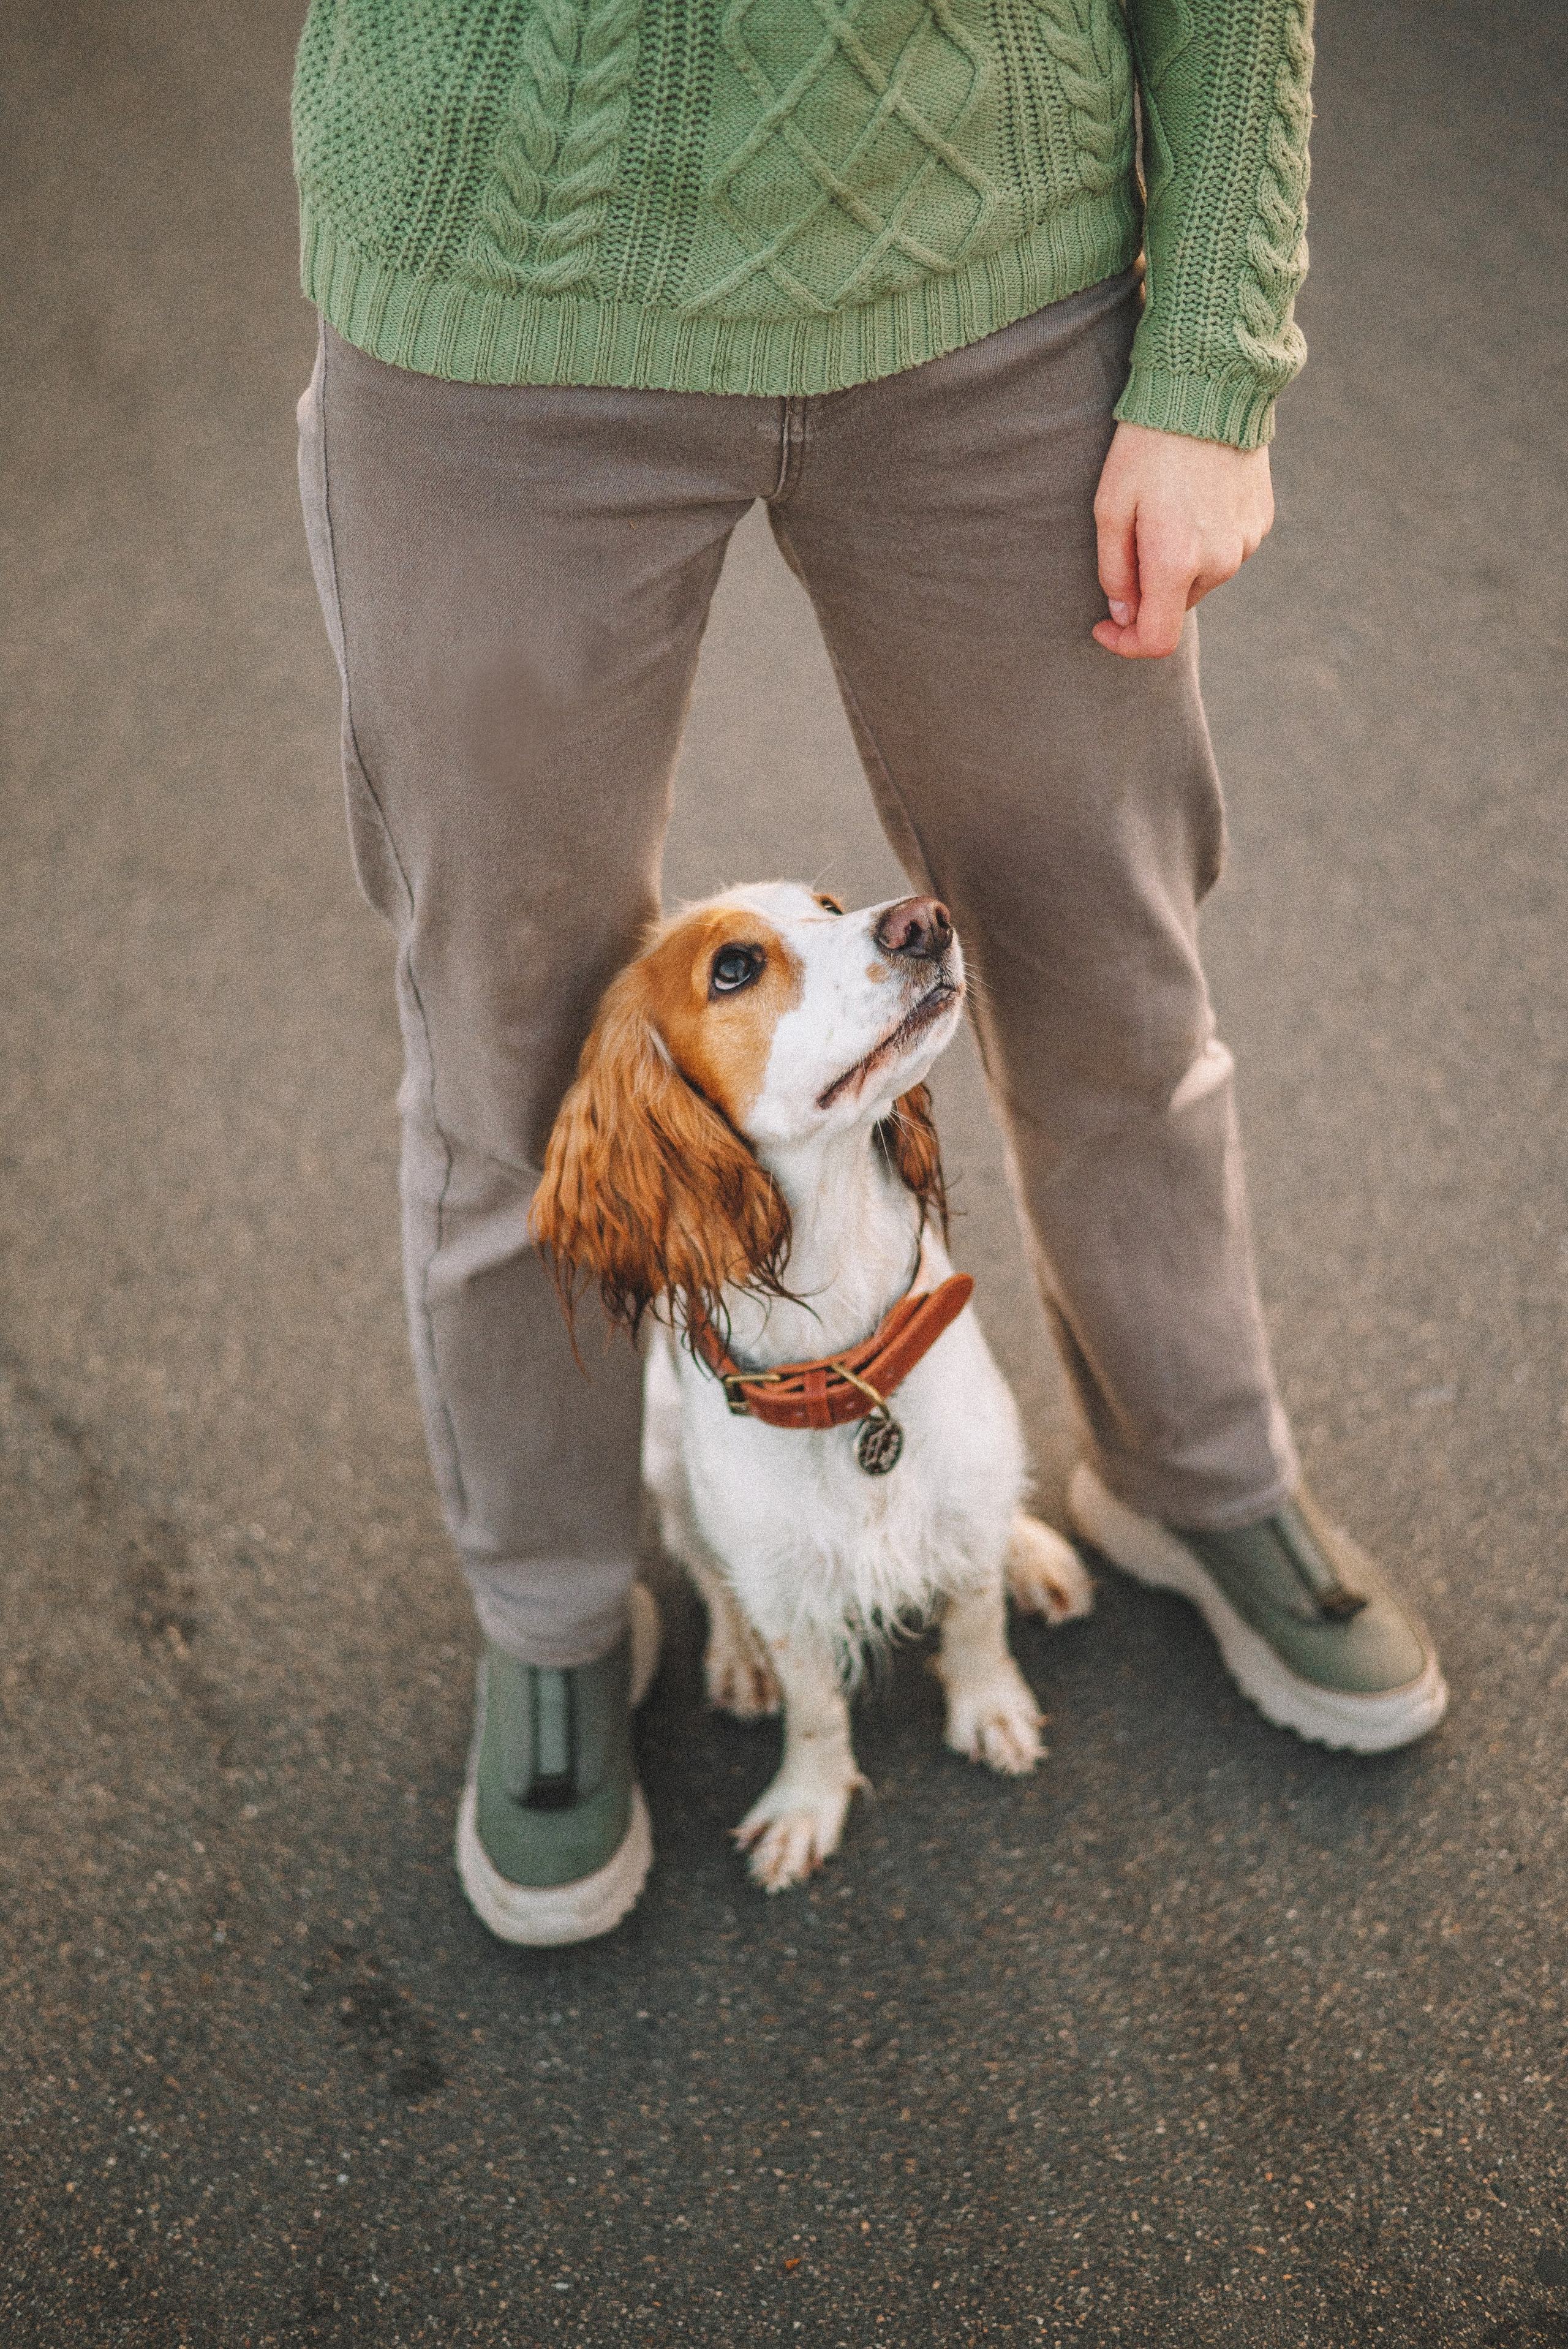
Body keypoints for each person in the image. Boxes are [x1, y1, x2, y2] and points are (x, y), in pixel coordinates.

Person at [293, 0, 1446, 1947]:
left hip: (987, 251)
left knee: (1109, 975)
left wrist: (1215, 357)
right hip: (496, 289)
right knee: (517, 1058)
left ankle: (1196, 1472)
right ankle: (561, 1615)